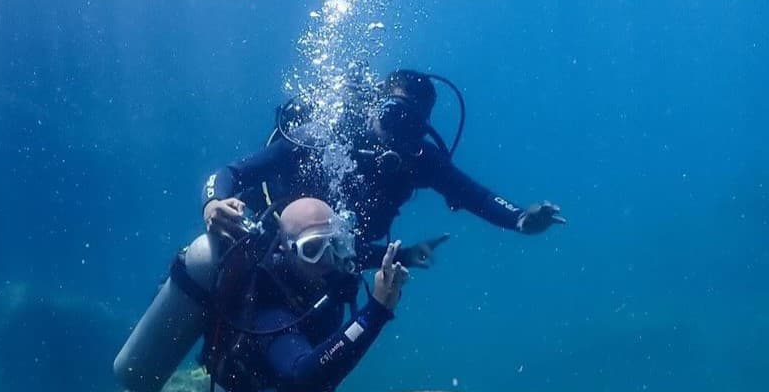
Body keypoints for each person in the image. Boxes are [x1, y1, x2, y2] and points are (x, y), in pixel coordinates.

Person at [201, 68, 566, 268]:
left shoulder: (421, 160)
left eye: (412, 123)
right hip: (267, 250)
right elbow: (232, 173)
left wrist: (520, 219)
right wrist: (213, 202)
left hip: (335, 267)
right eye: (395, 114)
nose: (399, 130)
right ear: (375, 105)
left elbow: (476, 197)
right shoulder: (324, 135)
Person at [201, 197, 407, 392]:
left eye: (336, 243)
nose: (329, 258)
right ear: (287, 251)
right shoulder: (267, 301)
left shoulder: (328, 278)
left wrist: (406, 255)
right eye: (313, 249)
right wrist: (374, 312)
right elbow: (301, 376)